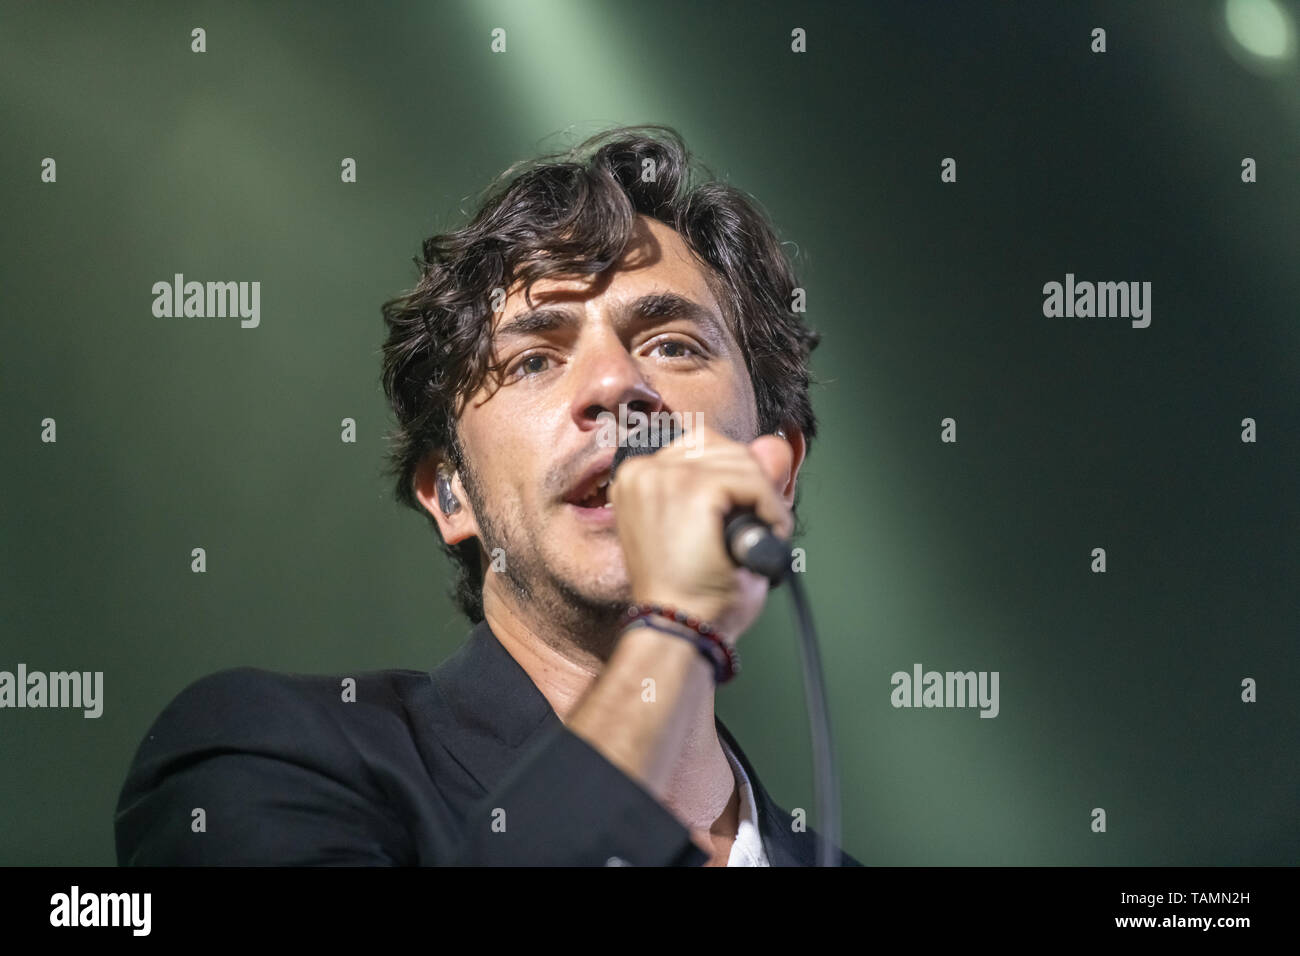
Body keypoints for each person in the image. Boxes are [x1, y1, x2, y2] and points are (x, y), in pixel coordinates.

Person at [115, 125, 859, 866]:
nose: (614, 386)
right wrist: (675, 634)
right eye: (535, 358)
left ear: (776, 470)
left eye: (672, 344)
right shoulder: (269, 755)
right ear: (450, 494)